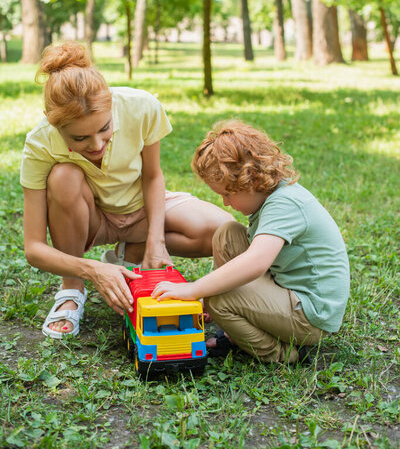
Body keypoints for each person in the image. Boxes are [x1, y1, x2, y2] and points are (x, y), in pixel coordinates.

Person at [21, 42, 232, 339]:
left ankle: (131, 251)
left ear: (111, 104)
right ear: (51, 119)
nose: (95, 145)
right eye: (80, 137)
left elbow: (152, 175)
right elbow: (34, 249)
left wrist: (156, 241)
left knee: (224, 231)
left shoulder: (141, 106)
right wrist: (91, 270)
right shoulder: (39, 143)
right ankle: (71, 288)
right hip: (92, 219)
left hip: (141, 210)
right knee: (63, 176)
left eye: (104, 129)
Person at [152, 120, 350, 364]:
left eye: (227, 193)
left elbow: (256, 262)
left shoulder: (285, 204)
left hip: (310, 315)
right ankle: (235, 332)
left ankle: (282, 353)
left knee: (219, 299)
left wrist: (195, 290)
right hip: (289, 293)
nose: (224, 202)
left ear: (251, 181)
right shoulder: (274, 196)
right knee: (228, 234)